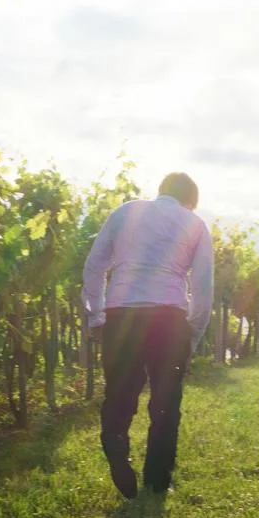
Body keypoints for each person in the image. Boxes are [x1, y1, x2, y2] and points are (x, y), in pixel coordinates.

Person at [82, 171, 214, 499]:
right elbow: (203, 286)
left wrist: (96, 315)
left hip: (121, 314)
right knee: (166, 402)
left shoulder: (125, 212)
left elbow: (94, 265)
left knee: (120, 390)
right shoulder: (195, 224)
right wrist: (193, 334)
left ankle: (115, 437)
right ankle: (157, 480)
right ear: (191, 201)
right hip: (168, 319)